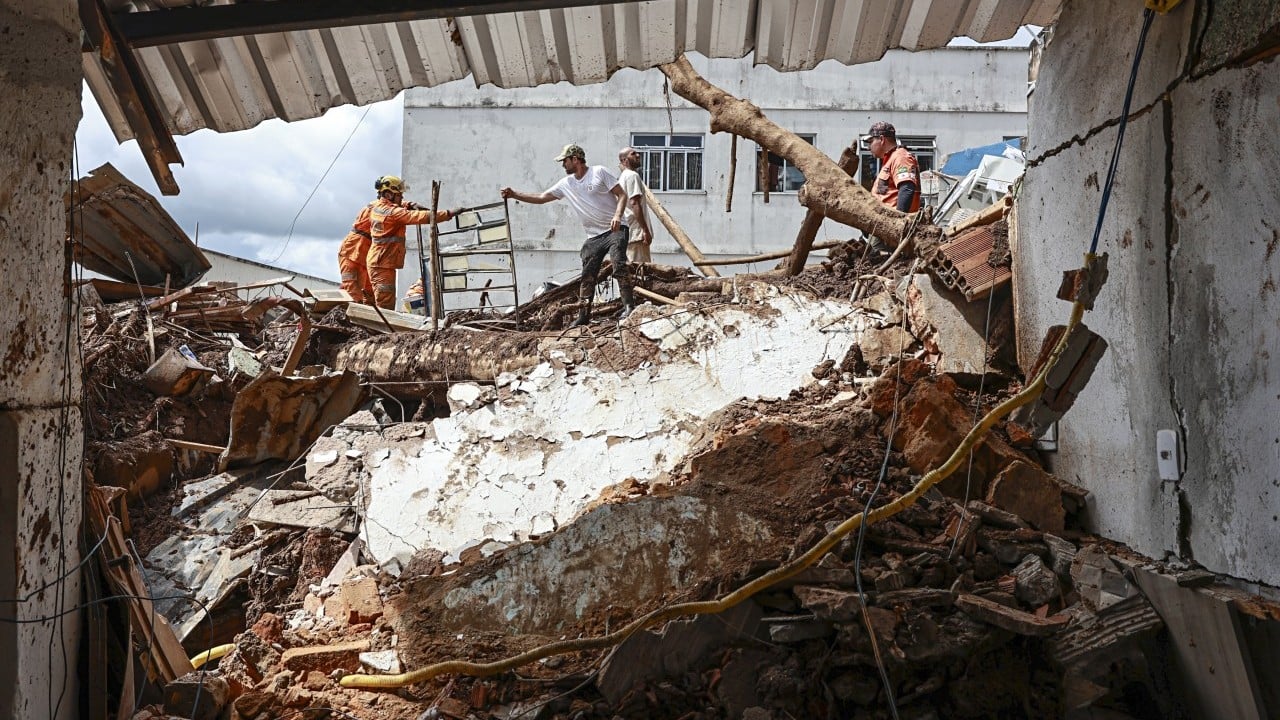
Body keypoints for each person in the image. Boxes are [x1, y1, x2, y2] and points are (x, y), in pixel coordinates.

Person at [501, 143, 636, 327]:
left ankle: (629, 306)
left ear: (575, 159)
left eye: (565, 161)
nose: (563, 165)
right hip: (594, 237)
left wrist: (618, 216)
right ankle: (583, 315)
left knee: (618, 262)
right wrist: (514, 194)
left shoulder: (599, 172)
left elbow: (621, 195)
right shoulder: (567, 184)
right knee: (587, 275)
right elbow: (541, 198)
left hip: (615, 229)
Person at [366, 175, 460, 309]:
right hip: (381, 263)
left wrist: (410, 204)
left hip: (381, 261)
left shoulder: (378, 205)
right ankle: (382, 329)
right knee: (385, 304)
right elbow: (417, 217)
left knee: (384, 301)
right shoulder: (393, 213)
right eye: (399, 195)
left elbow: (397, 205)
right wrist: (448, 213)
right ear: (388, 194)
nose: (402, 198)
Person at [336, 183, 380, 304]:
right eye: (399, 195)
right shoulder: (378, 208)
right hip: (351, 252)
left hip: (364, 256)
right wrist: (408, 206)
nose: (401, 198)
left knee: (369, 293)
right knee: (352, 292)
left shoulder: (382, 208)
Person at [863, 121, 921, 213]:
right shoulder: (891, 158)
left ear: (882, 139)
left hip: (892, 222)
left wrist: (899, 220)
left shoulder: (901, 157)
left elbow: (906, 188)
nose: (868, 147)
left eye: (871, 142)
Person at [617, 146, 654, 264]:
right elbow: (634, 203)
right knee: (640, 274)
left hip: (627, 233)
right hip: (636, 234)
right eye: (633, 154)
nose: (638, 155)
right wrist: (645, 230)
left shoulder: (623, 177)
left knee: (631, 273)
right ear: (624, 160)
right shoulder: (632, 176)